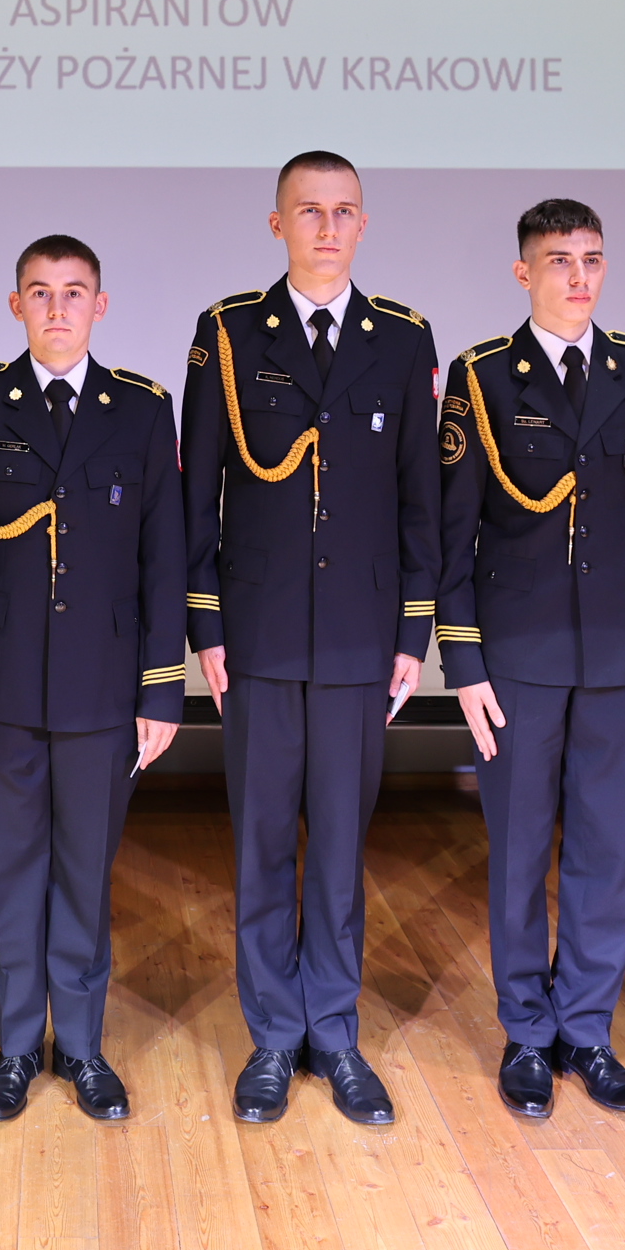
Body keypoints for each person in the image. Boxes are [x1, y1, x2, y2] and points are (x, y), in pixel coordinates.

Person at [183, 150, 438, 1126]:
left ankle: (333, 1031)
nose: (327, 228)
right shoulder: (228, 333)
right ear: (277, 223)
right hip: (257, 634)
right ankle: (271, 1037)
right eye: (309, 211)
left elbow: (421, 495)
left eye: (343, 212)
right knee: (261, 844)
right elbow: (198, 492)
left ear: (363, 224)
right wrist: (206, 621)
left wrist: (412, 625)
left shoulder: (403, 338)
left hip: (361, 637)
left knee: (338, 846)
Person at [436, 199, 625, 1119]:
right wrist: (464, 664)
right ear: (523, 273)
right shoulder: (481, 377)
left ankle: (587, 1029)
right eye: (558, 260)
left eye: (591, 259)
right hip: (517, 655)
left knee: (608, 849)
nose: (579, 276)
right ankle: (527, 1034)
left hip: (619, 652)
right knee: (518, 851)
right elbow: (454, 535)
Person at [0, 234, 185, 1122]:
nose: (58, 308)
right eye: (40, 292)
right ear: (16, 306)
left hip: (104, 691)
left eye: (75, 292)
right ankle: (13, 1049)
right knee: (12, 873)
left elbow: (163, 561)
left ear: (100, 306)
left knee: (83, 873)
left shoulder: (143, 410)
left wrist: (161, 690)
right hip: (2, 690)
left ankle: (78, 1045)